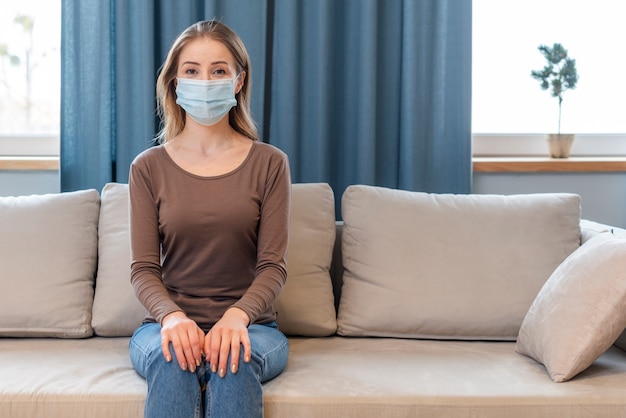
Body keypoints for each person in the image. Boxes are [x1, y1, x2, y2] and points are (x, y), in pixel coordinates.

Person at [128, 19, 291, 418]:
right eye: (191, 70)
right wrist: (172, 318)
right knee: (172, 360)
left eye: (219, 70)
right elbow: (144, 269)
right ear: (174, 82)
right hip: (164, 326)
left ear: (238, 81)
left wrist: (236, 317)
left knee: (231, 360)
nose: (205, 80)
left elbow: (273, 267)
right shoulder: (147, 168)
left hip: (253, 328)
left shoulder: (270, 163)